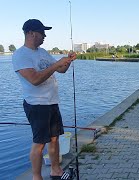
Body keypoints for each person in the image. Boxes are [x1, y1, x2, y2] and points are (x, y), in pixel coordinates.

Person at [12, 19, 76, 180]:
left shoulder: (43, 52)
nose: (45, 36)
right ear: (31, 33)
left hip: (52, 102)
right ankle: (36, 177)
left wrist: (66, 61)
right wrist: (56, 65)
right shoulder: (20, 55)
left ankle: (56, 171)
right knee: (39, 143)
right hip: (37, 105)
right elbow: (35, 79)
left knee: (54, 139)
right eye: (42, 32)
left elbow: (61, 70)